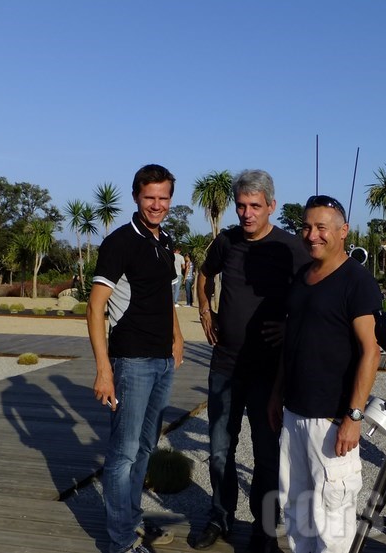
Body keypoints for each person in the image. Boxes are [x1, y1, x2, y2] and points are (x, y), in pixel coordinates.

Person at [193, 170, 310, 553]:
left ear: (271, 206)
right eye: (241, 206)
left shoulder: (290, 248)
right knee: (220, 448)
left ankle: (264, 529)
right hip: (225, 364)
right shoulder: (226, 242)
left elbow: (314, 294)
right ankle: (219, 516)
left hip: (267, 372)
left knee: (266, 454)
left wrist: (290, 326)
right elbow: (204, 274)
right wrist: (204, 310)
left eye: (255, 206)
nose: (246, 214)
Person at [269, 194, 382, 553]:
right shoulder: (303, 276)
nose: (312, 234)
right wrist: (276, 394)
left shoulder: (357, 281)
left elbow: (371, 351)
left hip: (332, 421)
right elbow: (293, 342)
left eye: (322, 227)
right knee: (297, 513)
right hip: (294, 414)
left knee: (332, 523)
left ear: (343, 231)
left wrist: (354, 416)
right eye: (306, 226)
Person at [86, 164, 184, 553]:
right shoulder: (120, 242)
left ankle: (131, 520)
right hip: (131, 363)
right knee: (123, 454)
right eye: (150, 198)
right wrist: (103, 371)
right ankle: (121, 542)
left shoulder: (164, 242)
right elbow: (95, 310)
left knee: (145, 449)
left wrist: (177, 339)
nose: (157, 205)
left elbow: (167, 299)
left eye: (163, 198)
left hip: (161, 361)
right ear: (136, 197)